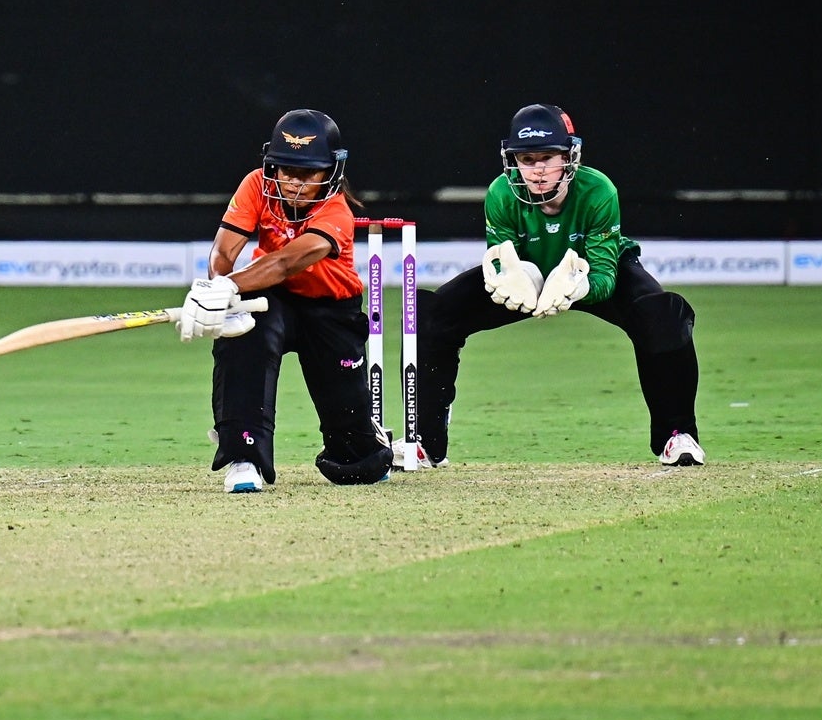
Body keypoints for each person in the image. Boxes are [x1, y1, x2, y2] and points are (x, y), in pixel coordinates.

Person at [415, 103, 703, 468]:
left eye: (548, 157)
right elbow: (502, 260)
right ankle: (424, 440)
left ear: (570, 157)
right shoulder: (501, 194)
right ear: (513, 160)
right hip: (530, 272)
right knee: (429, 316)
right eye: (527, 158)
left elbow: (604, 273)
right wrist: (516, 282)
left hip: (590, 270)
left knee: (665, 315)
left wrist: (578, 288)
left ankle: (678, 436)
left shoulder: (598, 190)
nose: (537, 170)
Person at [179, 108, 392, 493]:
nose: (294, 182)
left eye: (307, 172)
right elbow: (224, 252)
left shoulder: (337, 211)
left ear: (331, 170)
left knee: (358, 464)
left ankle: (367, 438)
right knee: (245, 333)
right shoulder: (255, 185)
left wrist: (228, 287)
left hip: (332, 309)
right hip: (272, 298)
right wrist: (219, 291)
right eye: (285, 169)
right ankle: (244, 457)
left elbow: (287, 261)